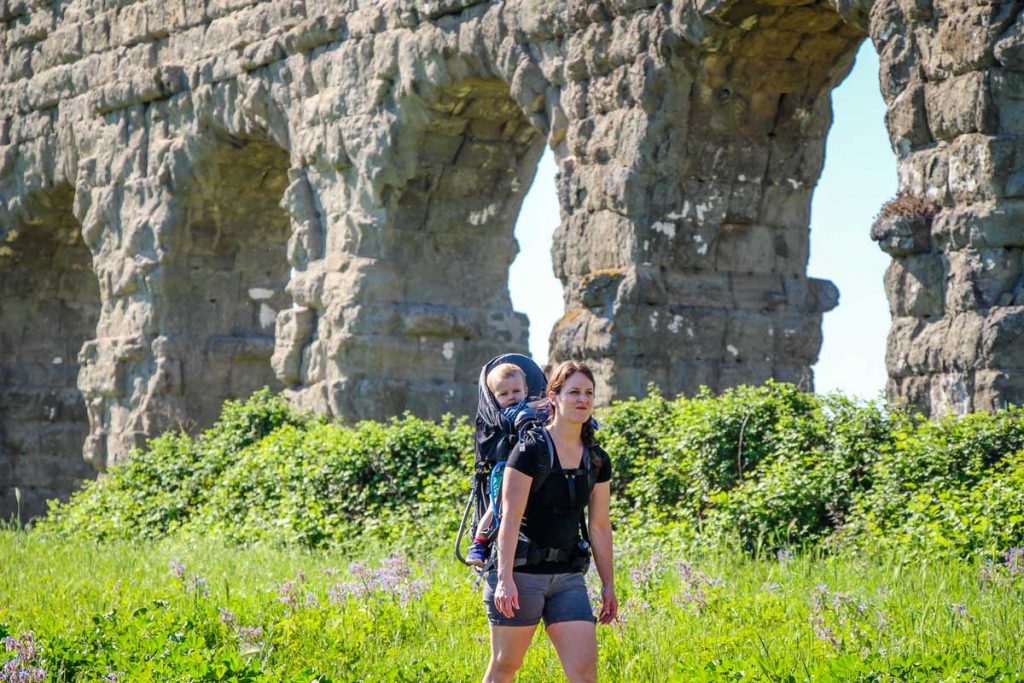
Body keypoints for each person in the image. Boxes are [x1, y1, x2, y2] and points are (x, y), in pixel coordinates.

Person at [482, 361, 617, 683]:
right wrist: (504, 578)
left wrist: (608, 584)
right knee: (505, 667)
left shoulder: (597, 458)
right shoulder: (530, 450)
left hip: (568, 577)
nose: (582, 400)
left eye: (588, 393)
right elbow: (510, 519)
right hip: (521, 574)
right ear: (553, 397)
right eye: (573, 392)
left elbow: (599, 525)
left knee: (584, 672)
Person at [467, 363, 547, 566]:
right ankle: (479, 543)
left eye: (516, 391)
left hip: (532, 469)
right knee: (498, 504)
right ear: (494, 398)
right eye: (504, 394)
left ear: (526, 391)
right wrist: (533, 406)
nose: (511, 397)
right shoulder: (501, 416)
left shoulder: (535, 409)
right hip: (505, 470)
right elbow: (515, 414)